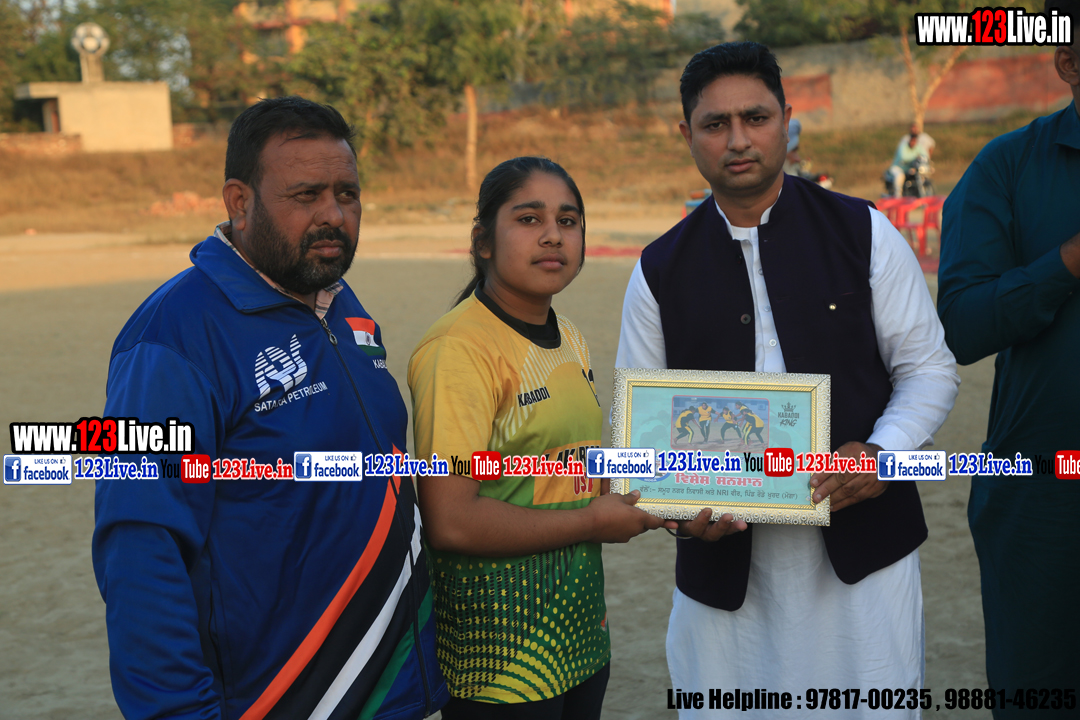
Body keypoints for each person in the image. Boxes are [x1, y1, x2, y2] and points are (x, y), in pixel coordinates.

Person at [615, 42, 959, 716]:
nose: (738, 140)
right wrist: (681, 513)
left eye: (756, 117)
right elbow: (643, 431)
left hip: (865, 567)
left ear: (787, 120)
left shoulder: (862, 231)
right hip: (726, 589)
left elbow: (928, 370)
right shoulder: (658, 270)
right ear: (687, 135)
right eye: (715, 124)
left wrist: (883, 454)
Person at [91, 97, 448, 720]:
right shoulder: (172, 339)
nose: (333, 215)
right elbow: (140, 549)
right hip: (287, 696)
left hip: (395, 688)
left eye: (347, 194)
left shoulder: (337, 299)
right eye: (306, 195)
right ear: (240, 201)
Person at [408, 157, 667, 719]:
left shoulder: (568, 334)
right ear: (482, 242)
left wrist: (675, 498)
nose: (553, 235)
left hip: (579, 640)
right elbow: (451, 521)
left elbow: (570, 468)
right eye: (529, 219)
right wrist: (593, 522)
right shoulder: (458, 349)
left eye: (568, 221)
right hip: (503, 663)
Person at [937, 1, 1080, 710]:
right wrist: (1068, 262)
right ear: (1069, 63)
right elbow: (961, 326)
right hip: (1043, 495)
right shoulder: (1006, 166)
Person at [886, 123, 936, 197]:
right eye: (912, 141)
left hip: (911, 168)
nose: (913, 143)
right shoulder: (903, 145)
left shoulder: (918, 147)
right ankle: (898, 195)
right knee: (900, 176)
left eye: (914, 141)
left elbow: (925, 154)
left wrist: (924, 159)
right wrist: (916, 157)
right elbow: (904, 157)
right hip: (899, 167)